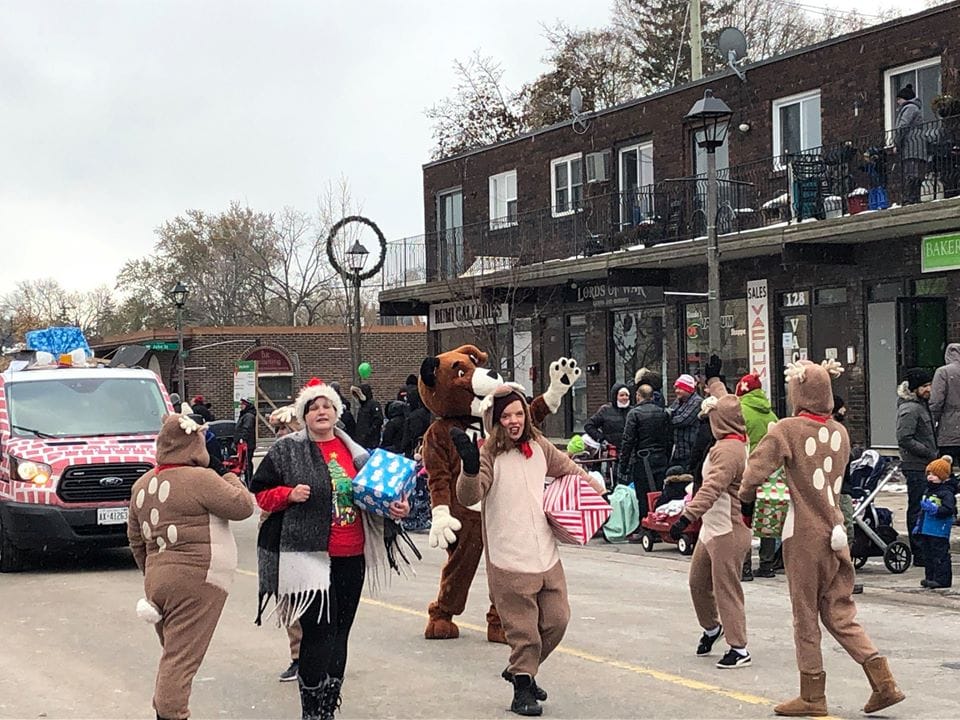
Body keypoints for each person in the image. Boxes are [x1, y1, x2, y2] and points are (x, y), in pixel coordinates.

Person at [740, 359, 905, 717]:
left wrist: (746, 500)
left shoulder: (787, 430)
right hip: (836, 529)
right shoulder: (840, 432)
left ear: (798, 392)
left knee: (805, 615)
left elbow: (754, 471)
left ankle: (812, 694)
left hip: (804, 532)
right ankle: (884, 682)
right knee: (839, 610)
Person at [249, 379, 412, 720]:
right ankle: (311, 711)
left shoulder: (358, 453)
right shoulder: (287, 450)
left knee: (340, 633)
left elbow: (379, 498)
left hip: (351, 553)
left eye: (327, 406)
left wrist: (397, 508)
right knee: (318, 633)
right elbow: (260, 491)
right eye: (313, 407)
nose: (321, 412)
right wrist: (288, 494)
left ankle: (327, 707)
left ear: (337, 412)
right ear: (303, 415)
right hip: (307, 554)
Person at [451, 384, 605, 717]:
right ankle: (522, 689)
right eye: (506, 416)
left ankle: (522, 671)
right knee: (524, 633)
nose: (514, 421)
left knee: (558, 620)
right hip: (510, 558)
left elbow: (567, 467)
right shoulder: (489, 455)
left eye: (518, 413)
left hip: (546, 553)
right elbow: (469, 495)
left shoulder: (539, 445)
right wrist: (470, 468)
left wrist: (595, 489)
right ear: (496, 420)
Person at [127, 413, 255, 720]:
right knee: (181, 659)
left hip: (158, 577)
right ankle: (172, 713)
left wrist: (151, 570)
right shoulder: (200, 479)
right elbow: (242, 506)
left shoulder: (142, 484)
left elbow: (135, 539)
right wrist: (224, 472)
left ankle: (166, 708)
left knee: (173, 652)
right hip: (199, 576)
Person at [670, 378, 752, 669]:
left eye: (711, 417)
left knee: (727, 589)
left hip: (728, 529)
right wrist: (715, 382)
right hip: (712, 528)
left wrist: (686, 517)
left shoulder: (728, 451)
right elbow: (726, 403)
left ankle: (739, 648)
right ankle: (712, 628)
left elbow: (711, 488)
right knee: (697, 582)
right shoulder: (729, 438)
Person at [264, 405, 305, 683]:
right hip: (281, 536)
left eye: (284, 428)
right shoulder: (275, 459)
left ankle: (320, 655)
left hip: (310, 537)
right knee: (288, 600)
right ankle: (298, 656)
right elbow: (263, 495)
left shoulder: (310, 457)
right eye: (277, 429)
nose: (279, 434)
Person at [736, 372, 779, 580]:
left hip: (746, 472)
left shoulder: (739, 412)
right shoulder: (771, 415)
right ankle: (767, 564)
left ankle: (744, 566)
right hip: (770, 474)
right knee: (766, 518)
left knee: (743, 519)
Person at [896, 367, 937, 567]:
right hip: (916, 466)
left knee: (924, 507)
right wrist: (928, 452)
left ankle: (925, 550)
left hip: (925, 464)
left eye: (929, 384)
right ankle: (919, 551)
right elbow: (904, 438)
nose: (929, 389)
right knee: (917, 508)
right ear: (914, 388)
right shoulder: (910, 409)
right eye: (924, 386)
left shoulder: (922, 405)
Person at [618, 383, 673, 519]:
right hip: (660, 458)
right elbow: (669, 438)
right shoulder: (663, 413)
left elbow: (628, 440)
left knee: (643, 495)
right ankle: (659, 520)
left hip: (642, 459)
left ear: (638, 396)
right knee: (659, 492)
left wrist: (623, 465)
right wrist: (666, 457)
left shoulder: (634, 414)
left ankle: (645, 522)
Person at [833, 396, 862, 594]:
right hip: (839, 488)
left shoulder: (838, 429)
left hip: (842, 486)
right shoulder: (834, 430)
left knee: (844, 530)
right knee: (845, 529)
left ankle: (843, 576)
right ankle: (840, 577)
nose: (845, 411)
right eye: (842, 407)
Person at [914, 455, 956, 589]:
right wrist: (918, 525)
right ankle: (930, 577)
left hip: (939, 530)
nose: (930, 477)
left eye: (934, 475)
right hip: (926, 528)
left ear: (943, 477)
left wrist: (936, 510)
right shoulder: (928, 490)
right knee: (928, 555)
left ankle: (942, 579)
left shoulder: (946, 493)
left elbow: (949, 509)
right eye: (929, 474)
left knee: (940, 555)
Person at [892, 84, 925, 205]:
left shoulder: (909, 108)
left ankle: (909, 198)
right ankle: (913, 197)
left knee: (911, 172)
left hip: (911, 146)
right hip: (916, 145)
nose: (898, 102)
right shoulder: (913, 108)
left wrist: (896, 142)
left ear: (905, 98)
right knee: (915, 173)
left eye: (899, 99)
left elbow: (903, 125)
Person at [930, 343, 960, 460]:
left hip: (949, 428)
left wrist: (932, 421)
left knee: (945, 466)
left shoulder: (943, 372)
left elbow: (936, 401)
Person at [667, 374, 703, 470]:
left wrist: (666, 421)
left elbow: (683, 420)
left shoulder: (697, 402)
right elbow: (669, 412)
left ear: (688, 389)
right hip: (677, 451)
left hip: (689, 450)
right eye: (676, 388)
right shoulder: (678, 401)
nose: (676, 391)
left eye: (680, 388)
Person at [583, 383, 632, 453]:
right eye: (621, 395)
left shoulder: (633, 411)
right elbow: (589, 426)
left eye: (627, 395)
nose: (625, 397)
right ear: (615, 396)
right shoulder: (605, 410)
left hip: (630, 452)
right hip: (612, 452)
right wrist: (601, 439)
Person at [400, 383, 432, 459]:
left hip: (415, 450)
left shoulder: (414, 416)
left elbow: (411, 435)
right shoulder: (431, 413)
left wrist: (404, 447)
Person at [351, 383, 383, 450]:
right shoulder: (362, 407)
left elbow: (378, 420)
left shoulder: (373, 405)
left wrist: (369, 433)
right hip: (361, 440)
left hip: (370, 441)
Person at [235, 398, 257, 485]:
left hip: (247, 444)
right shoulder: (245, 415)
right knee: (244, 462)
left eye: (242, 404)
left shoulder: (248, 416)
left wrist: (242, 438)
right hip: (245, 443)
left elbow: (246, 428)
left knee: (247, 463)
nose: (241, 406)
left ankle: (249, 481)